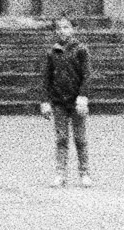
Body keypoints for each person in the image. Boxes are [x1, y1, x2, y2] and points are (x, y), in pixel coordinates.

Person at [40, 17, 93, 186]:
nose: (62, 31)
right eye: (59, 28)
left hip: (76, 100)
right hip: (59, 101)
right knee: (61, 138)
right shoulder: (52, 52)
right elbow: (46, 78)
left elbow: (86, 75)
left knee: (80, 138)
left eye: (66, 27)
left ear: (72, 29)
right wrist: (45, 101)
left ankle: (84, 172)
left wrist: (83, 96)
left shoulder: (81, 50)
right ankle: (60, 173)